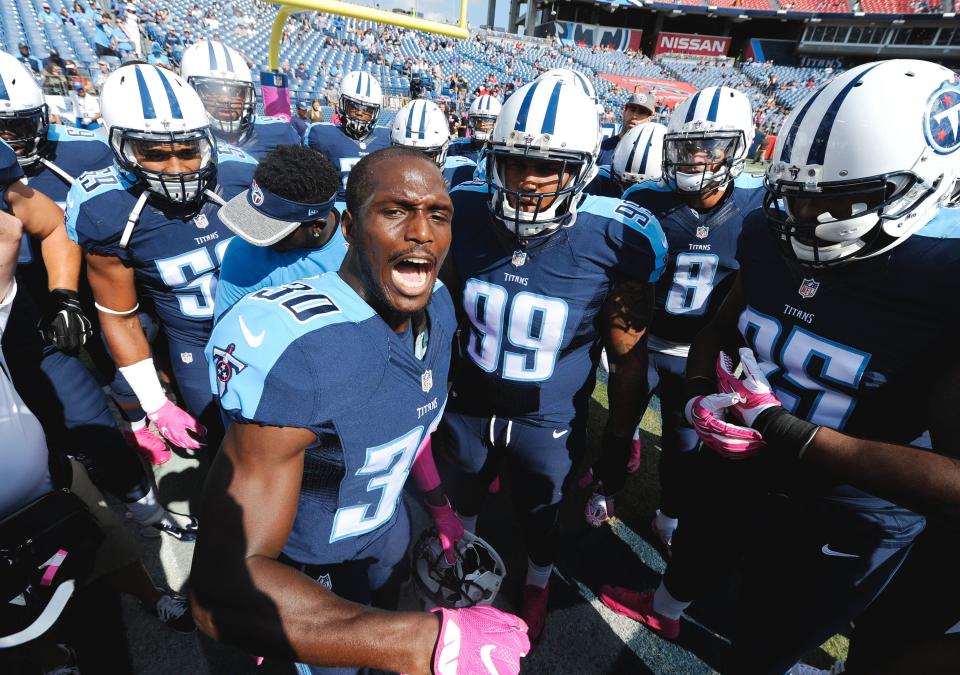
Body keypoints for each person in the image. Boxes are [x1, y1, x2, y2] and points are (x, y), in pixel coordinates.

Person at [599, 59, 960, 675]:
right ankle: (666, 605)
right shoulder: (770, 235)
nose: (805, 220)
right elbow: (721, 324)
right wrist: (694, 390)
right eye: (798, 195)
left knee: (768, 635)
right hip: (746, 455)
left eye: (838, 199)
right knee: (701, 544)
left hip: (846, 506)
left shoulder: (942, 278)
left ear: (921, 186)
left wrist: (796, 434)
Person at [192, 147, 530, 675]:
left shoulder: (437, 304)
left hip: (385, 532)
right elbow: (220, 593)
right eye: (395, 210)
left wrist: (439, 507)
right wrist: (424, 643)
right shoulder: (295, 349)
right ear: (349, 226)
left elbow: (407, 421)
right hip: (310, 563)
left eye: (437, 215)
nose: (421, 231)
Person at [442, 79, 667, 641]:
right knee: (462, 494)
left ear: (584, 169)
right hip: (468, 401)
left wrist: (618, 444)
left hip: (548, 418)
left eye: (550, 167)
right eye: (515, 162)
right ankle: (458, 570)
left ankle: (538, 581)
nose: (528, 181)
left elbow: (628, 361)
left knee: (541, 516)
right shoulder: (464, 207)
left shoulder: (614, 236)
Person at [596, 87, 763, 548]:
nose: (696, 158)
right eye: (688, 146)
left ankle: (668, 516)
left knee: (684, 443)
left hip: (701, 353)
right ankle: (608, 488)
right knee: (620, 424)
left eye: (712, 147)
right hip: (644, 343)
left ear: (743, 146)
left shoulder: (757, 208)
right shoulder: (646, 199)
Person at [65, 63, 256, 460]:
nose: (176, 168)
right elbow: (120, 316)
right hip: (195, 343)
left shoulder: (238, 175)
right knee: (226, 453)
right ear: (121, 148)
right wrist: (155, 402)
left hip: (263, 325)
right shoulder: (108, 210)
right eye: (154, 153)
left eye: (188, 151)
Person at [214, 145, 345, 320]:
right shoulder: (243, 253)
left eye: (274, 228)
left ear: (316, 226)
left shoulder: (367, 236)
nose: (253, 234)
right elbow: (229, 336)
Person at [179, 40, 300, 161]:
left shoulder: (276, 132)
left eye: (235, 91)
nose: (225, 99)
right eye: (211, 90)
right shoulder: (178, 137)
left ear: (248, 95)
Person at [304, 70, 391, 202]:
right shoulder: (320, 134)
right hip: (337, 208)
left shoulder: (386, 137)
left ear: (376, 112)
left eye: (367, 110)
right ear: (342, 104)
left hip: (374, 211)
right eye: (354, 107)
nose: (360, 113)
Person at [389, 98, 475, 189]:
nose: (415, 165)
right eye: (406, 154)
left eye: (427, 155)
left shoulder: (461, 172)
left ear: (444, 148)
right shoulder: (383, 175)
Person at [598, 91, 656, 167]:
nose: (634, 115)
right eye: (632, 110)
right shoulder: (602, 148)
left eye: (641, 112)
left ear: (649, 119)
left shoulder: (651, 157)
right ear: (624, 112)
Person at [448, 93, 500, 165]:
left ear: (497, 123)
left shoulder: (500, 151)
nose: (482, 124)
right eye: (478, 120)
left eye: (487, 121)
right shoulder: (455, 146)